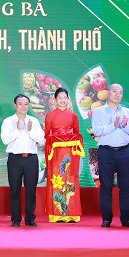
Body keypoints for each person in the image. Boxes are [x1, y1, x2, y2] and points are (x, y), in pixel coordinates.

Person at [91, 83, 129, 228]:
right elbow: (97, 131)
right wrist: (114, 126)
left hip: (124, 152)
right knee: (106, 186)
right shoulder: (98, 112)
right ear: (107, 93)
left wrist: (124, 125)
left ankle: (126, 219)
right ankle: (106, 219)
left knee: (125, 187)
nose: (118, 94)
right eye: (115, 91)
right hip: (106, 152)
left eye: (121, 92)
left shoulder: (127, 112)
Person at [1, 94, 45, 227]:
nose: (23, 106)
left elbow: (42, 141)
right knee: (15, 189)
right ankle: (15, 219)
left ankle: (30, 218)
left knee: (31, 190)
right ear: (15, 105)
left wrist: (30, 131)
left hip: (31, 159)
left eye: (26, 104)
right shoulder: (8, 121)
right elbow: (5, 140)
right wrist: (17, 130)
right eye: (20, 103)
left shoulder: (34, 121)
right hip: (15, 159)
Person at [43, 88, 84, 223]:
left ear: (68, 99)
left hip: (70, 154)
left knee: (70, 178)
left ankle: (71, 213)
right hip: (56, 154)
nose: (62, 100)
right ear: (55, 99)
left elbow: (77, 134)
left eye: (65, 97)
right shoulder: (50, 116)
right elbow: (46, 135)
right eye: (59, 97)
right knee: (57, 179)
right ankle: (57, 214)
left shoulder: (73, 116)